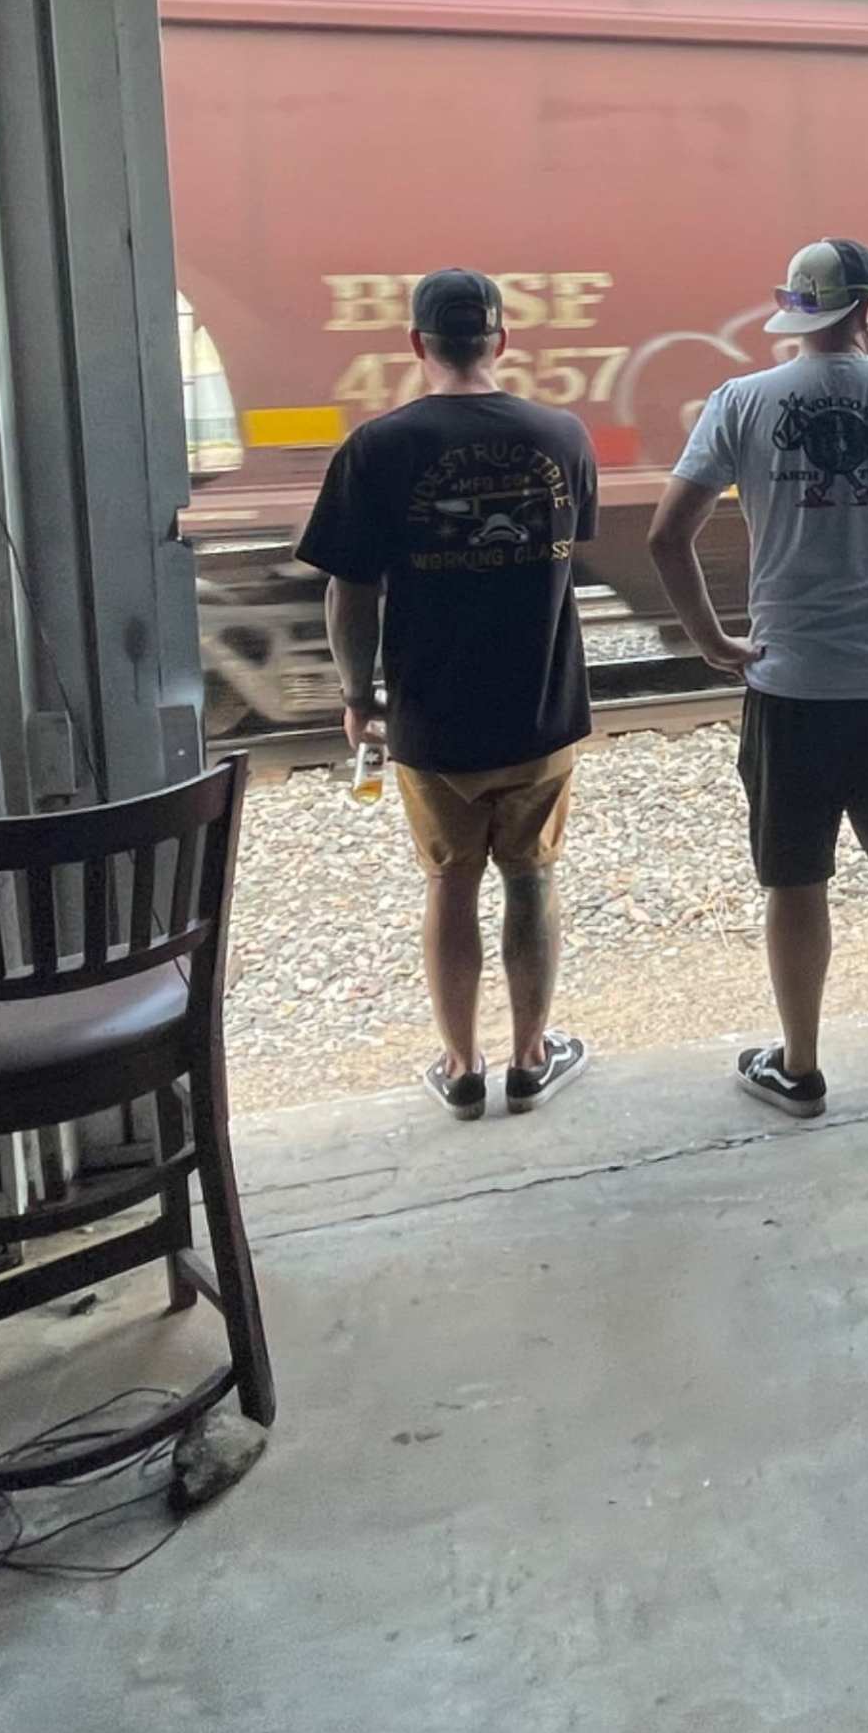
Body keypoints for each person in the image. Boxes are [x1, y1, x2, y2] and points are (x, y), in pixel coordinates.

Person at [648, 238, 868, 1119]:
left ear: (797, 308)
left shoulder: (742, 402)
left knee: (795, 881)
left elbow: (664, 537)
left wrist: (714, 639)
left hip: (790, 683)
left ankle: (799, 1066)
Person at [301, 267, 600, 1121]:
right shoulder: (563, 436)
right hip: (541, 715)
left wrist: (359, 695)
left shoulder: (377, 448)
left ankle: (463, 1067)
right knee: (534, 878)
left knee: (451, 883)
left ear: (417, 345)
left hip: (433, 725)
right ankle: (532, 1058)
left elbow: (348, 590)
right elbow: (568, 548)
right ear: (500, 341)